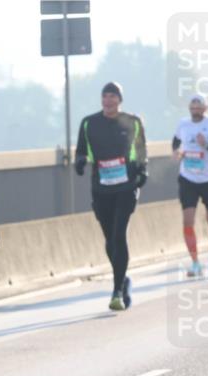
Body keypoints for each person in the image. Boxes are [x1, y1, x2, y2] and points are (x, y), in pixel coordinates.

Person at [74, 82, 148, 310]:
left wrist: (144, 169)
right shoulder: (89, 123)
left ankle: (116, 291)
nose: (108, 100)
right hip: (101, 187)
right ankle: (123, 278)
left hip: (126, 186)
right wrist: (80, 162)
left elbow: (142, 149)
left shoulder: (133, 122)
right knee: (109, 240)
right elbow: (81, 150)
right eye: (105, 96)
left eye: (113, 96)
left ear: (120, 99)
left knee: (119, 235)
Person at [172, 94, 208, 278]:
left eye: (198, 106)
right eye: (192, 106)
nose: (195, 109)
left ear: (205, 108)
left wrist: (207, 145)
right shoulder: (183, 124)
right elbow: (176, 141)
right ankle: (195, 263)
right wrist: (177, 152)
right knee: (187, 220)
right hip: (188, 178)